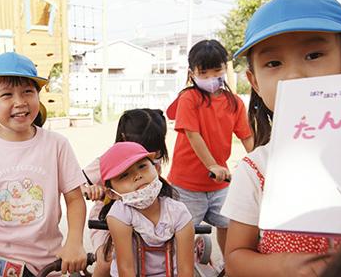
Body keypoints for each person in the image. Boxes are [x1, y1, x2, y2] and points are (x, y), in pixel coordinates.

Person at [220, 0, 341, 276]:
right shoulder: (256, 169)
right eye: (274, 63)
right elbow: (235, 260)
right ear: (255, 82)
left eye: (313, 55)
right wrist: (284, 266)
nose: (295, 75)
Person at [0, 52, 88, 276]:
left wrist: (74, 243)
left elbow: (74, 199)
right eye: (7, 94)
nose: (20, 102)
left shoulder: (56, 144)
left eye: (28, 91)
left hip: (48, 265)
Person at [167, 39, 254, 256]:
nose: (210, 78)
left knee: (230, 224)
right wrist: (212, 164)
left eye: (217, 70)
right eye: (203, 72)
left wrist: (261, 162)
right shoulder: (189, 98)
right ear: (192, 73)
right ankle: (182, 268)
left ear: (226, 69)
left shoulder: (234, 102)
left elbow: (247, 137)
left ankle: (230, 264)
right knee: (183, 231)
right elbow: (192, 134)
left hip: (220, 184)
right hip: (187, 184)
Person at [81, 108, 169, 277]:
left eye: (154, 149)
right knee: (107, 262)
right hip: (107, 219)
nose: (145, 158)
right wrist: (89, 189)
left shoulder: (153, 161)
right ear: (124, 138)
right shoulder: (107, 162)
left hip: (144, 218)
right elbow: (76, 183)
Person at [99, 142, 194, 276]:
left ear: (157, 169)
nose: (137, 176)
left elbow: (186, 270)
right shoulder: (119, 215)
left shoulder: (178, 212)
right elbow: (126, 269)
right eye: (124, 175)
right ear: (112, 193)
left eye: (142, 166)